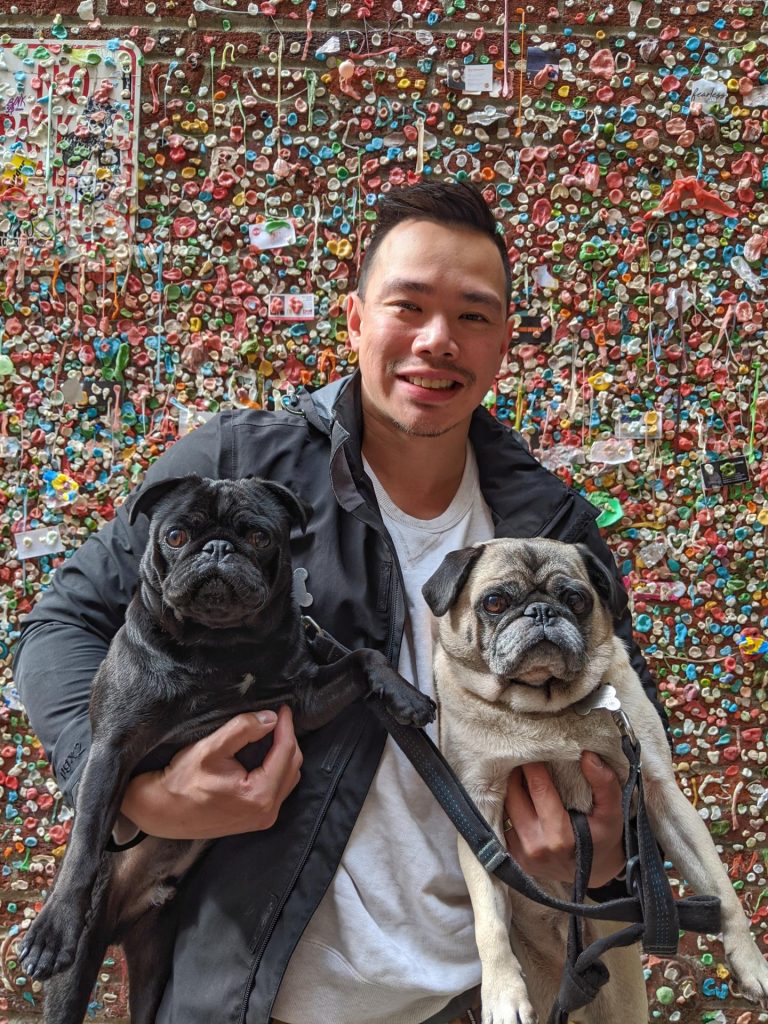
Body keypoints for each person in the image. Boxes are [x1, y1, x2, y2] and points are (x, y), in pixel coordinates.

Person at [14, 181, 665, 1024]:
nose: (438, 341)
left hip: (487, 997)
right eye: (410, 306)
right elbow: (60, 626)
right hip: (252, 995)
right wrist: (139, 796)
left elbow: (627, 714)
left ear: (504, 341)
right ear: (356, 320)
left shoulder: (550, 524)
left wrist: (610, 852)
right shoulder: (241, 462)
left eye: (473, 315)